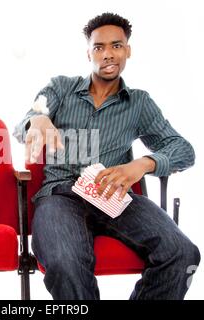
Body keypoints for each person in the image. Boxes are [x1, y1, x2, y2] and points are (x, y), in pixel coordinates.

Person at [13, 12, 200, 300]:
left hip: (114, 194)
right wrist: (36, 121)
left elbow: (183, 150)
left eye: (116, 45)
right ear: (88, 53)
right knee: (65, 264)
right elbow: (24, 122)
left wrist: (144, 164)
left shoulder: (139, 103)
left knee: (183, 253)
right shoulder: (61, 88)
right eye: (99, 47)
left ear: (128, 50)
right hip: (61, 195)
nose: (108, 54)